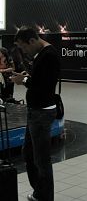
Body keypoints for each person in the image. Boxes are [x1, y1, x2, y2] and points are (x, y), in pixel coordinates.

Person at [11, 26, 60, 201]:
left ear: (32, 41)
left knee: (41, 158)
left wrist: (23, 80)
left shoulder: (49, 56)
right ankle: (40, 192)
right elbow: (39, 78)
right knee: (30, 154)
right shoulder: (41, 54)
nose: (23, 51)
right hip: (36, 112)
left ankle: (44, 196)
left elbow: (43, 86)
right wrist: (26, 77)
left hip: (41, 113)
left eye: (23, 47)